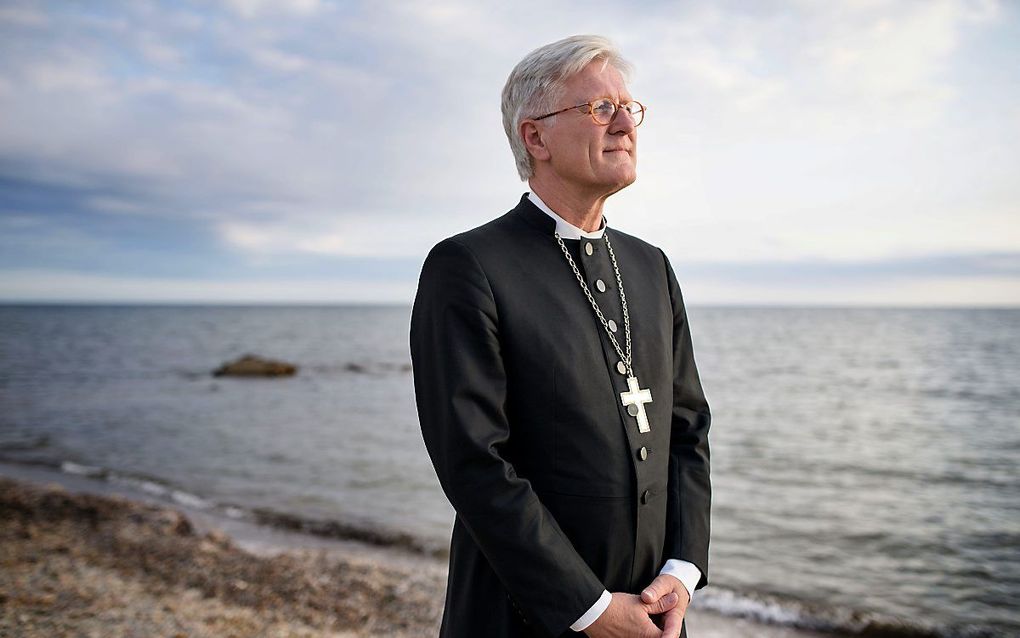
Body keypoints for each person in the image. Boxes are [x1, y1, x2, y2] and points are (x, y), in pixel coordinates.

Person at [410, 35, 711, 638]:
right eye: (600, 108)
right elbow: (473, 460)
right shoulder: (468, 264)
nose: (626, 122)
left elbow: (686, 428)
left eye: (631, 108)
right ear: (536, 137)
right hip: (523, 616)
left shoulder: (651, 266)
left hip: (656, 615)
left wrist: (683, 569)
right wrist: (589, 608)